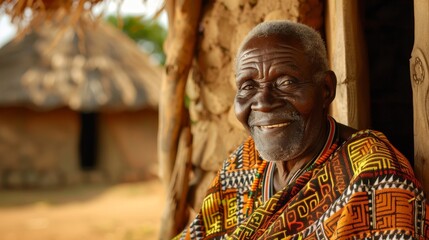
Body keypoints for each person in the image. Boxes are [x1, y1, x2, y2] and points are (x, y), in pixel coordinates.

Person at [174, 20, 429, 239]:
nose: (263, 102)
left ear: (326, 89)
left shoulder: (373, 172)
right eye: (248, 86)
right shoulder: (243, 163)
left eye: (286, 82)